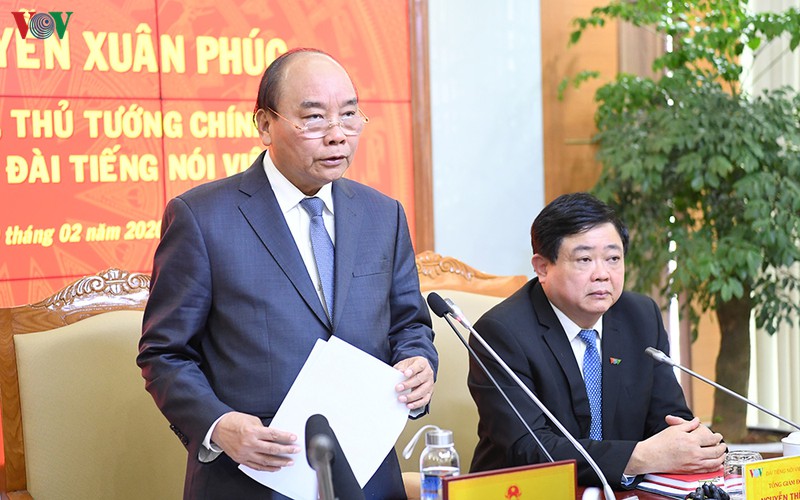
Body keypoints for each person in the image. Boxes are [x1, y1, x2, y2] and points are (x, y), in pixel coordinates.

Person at [137, 48, 437, 500]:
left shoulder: (383, 214)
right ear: (264, 125)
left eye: (349, 115)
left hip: (369, 476)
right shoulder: (202, 218)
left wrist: (419, 363)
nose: (337, 135)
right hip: (254, 478)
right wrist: (218, 425)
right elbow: (164, 353)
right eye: (314, 118)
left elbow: (410, 324)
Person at [467, 192, 726, 488]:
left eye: (613, 259)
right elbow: (528, 448)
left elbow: (667, 418)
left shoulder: (641, 317)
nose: (602, 274)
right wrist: (637, 457)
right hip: (527, 491)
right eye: (585, 259)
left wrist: (691, 442)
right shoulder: (500, 333)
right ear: (542, 267)